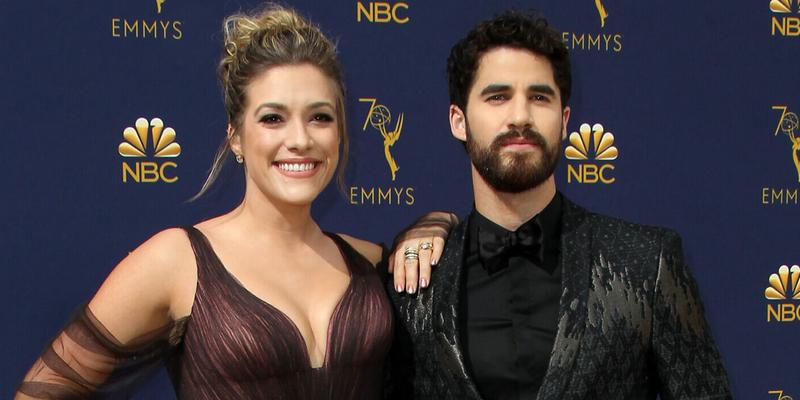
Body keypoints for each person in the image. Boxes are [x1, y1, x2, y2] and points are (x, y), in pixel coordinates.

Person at [16, 5, 442, 399]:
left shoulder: (366, 262)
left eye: (320, 117)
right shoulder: (179, 262)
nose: (300, 140)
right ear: (236, 136)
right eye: (273, 118)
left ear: (341, 131)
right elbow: (44, 388)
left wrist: (434, 223)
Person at [388, 10, 732, 399]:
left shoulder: (646, 264)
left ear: (564, 119)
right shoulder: (413, 282)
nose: (520, 116)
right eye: (497, 96)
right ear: (458, 120)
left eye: (539, 97)